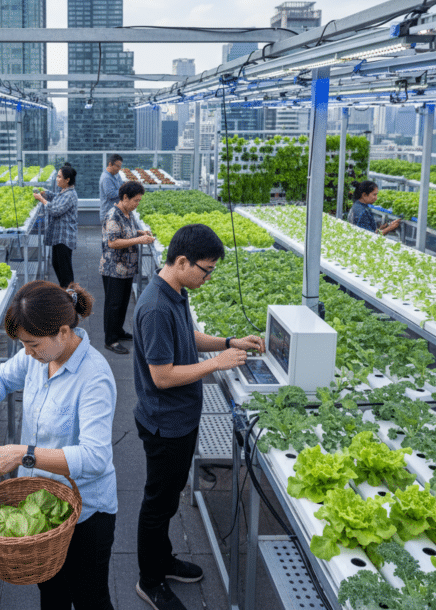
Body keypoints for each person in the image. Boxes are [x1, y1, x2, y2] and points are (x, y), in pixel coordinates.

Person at [0, 281, 117, 610]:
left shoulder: (94, 377)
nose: (28, 353)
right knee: (52, 593)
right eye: (24, 345)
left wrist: (23, 454)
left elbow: (95, 458)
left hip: (86, 510)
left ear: (63, 331)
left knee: (91, 598)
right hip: (43, 504)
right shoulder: (39, 356)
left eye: (32, 345)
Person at [132, 224, 265, 610]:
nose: (208, 277)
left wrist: (227, 343)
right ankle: (149, 579)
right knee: (157, 505)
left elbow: (188, 338)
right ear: (182, 261)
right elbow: (163, 375)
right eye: (206, 270)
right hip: (165, 424)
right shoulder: (156, 306)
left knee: (169, 498)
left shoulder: (175, 290)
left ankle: (163, 559)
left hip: (180, 420)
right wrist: (216, 365)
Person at [100, 181, 154, 355]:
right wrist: (139, 240)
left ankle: (119, 331)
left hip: (126, 268)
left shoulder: (127, 213)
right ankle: (111, 340)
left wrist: (141, 233)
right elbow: (113, 242)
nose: (137, 203)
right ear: (124, 198)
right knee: (113, 305)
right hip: (114, 268)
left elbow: (128, 232)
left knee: (122, 303)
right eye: (136, 200)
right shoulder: (113, 215)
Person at [34, 165, 78, 289]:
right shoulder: (65, 191)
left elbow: (55, 210)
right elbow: (57, 198)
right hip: (58, 237)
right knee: (57, 264)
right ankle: (66, 293)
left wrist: (42, 199)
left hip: (64, 238)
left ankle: (70, 297)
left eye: (59, 177)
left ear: (67, 179)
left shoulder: (70, 195)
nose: (56, 179)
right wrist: (46, 194)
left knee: (65, 271)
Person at [99, 154, 124, 223]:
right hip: (108, 214)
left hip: (115, 212)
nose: (119, 169)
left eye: (120, 166)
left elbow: (121, 185)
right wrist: (125, 190)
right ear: (110, 164)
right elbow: (111, 194)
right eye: (118, 166)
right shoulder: (106, 178)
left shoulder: (116, 174)